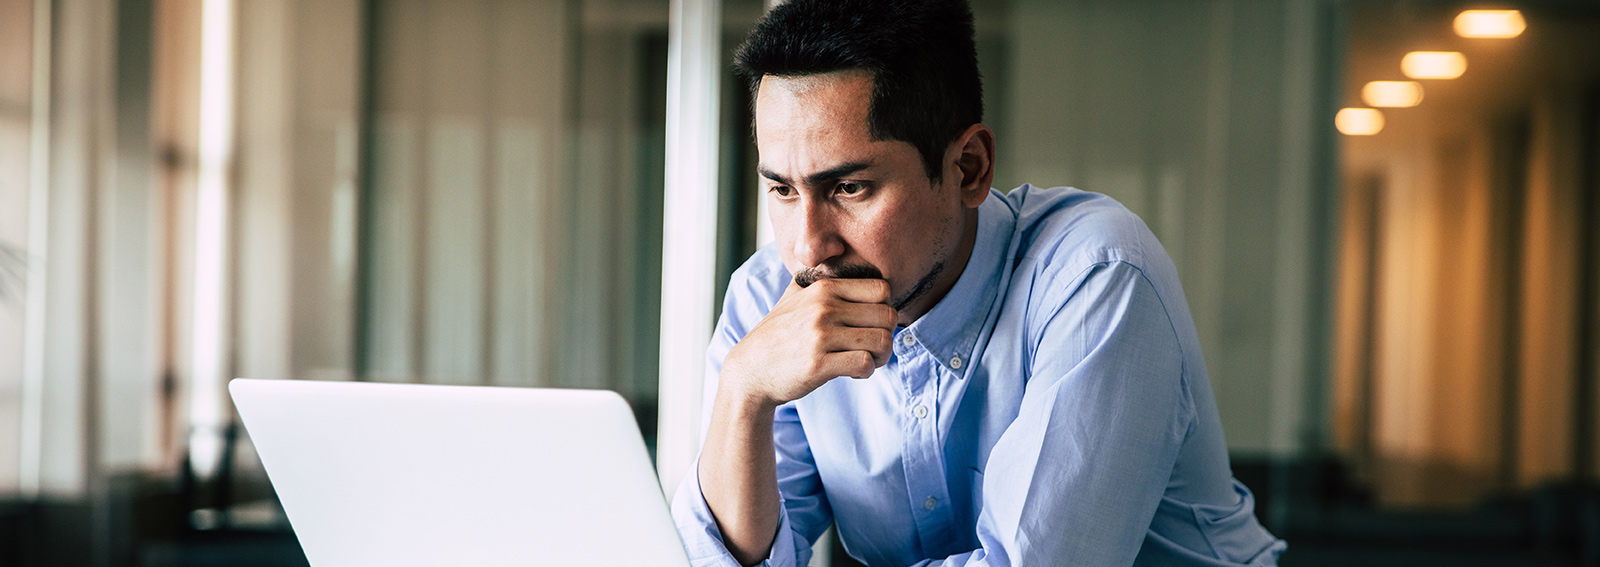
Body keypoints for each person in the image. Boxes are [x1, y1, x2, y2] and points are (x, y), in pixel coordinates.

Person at [670, 0, 1287, 565]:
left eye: (849, 188)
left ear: (969, 167)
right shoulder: (768, 297)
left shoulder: (1096, 276)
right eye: (782, 189)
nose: (807, 246)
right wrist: (743, 392)